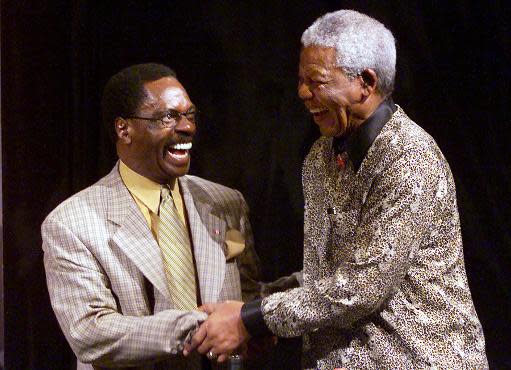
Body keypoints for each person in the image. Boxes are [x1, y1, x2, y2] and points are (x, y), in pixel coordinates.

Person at [184, 10, 489, 369]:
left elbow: (362, 286)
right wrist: (254, 311)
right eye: (301, 80)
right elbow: (326, 275)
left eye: (316, 81)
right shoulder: (320, 157)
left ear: (366, 83)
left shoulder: (409, 157)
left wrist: (252, 319)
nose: (302, 93)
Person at [41, 63, 260, 370]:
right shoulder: (72, 223)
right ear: (124, 129)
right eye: (168, 116)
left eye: (190, 115)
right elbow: (91, 333)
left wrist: (276, 310)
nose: (187, 128)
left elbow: (246, 292)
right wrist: (204, 326)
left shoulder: (227, 204)